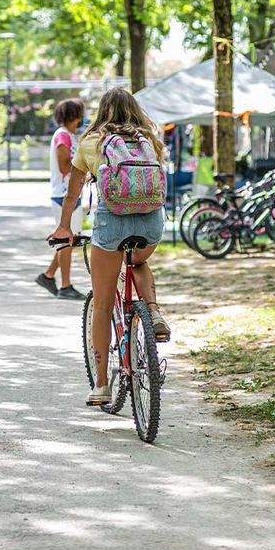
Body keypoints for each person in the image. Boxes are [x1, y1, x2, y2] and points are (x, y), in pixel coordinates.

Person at [48, 88, 170, 406]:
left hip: (112, 224)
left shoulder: (92, 142)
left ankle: (101, 385)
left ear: (102, 111)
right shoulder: (150, 138)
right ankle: (153, 313)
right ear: (135, 109)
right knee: (139, 263)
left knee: (102, 305)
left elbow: (72, 195)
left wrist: (64, 228)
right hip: (150, 223)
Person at [37, 97, 86, 300]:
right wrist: (84, 171)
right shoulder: (63, 136)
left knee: (68, 241)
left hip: (71, 194)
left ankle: (48, 276)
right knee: (66, 241)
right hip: (64, 195)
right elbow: (64, 167)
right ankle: (65, 286)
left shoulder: (70, 136)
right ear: (75, 116)